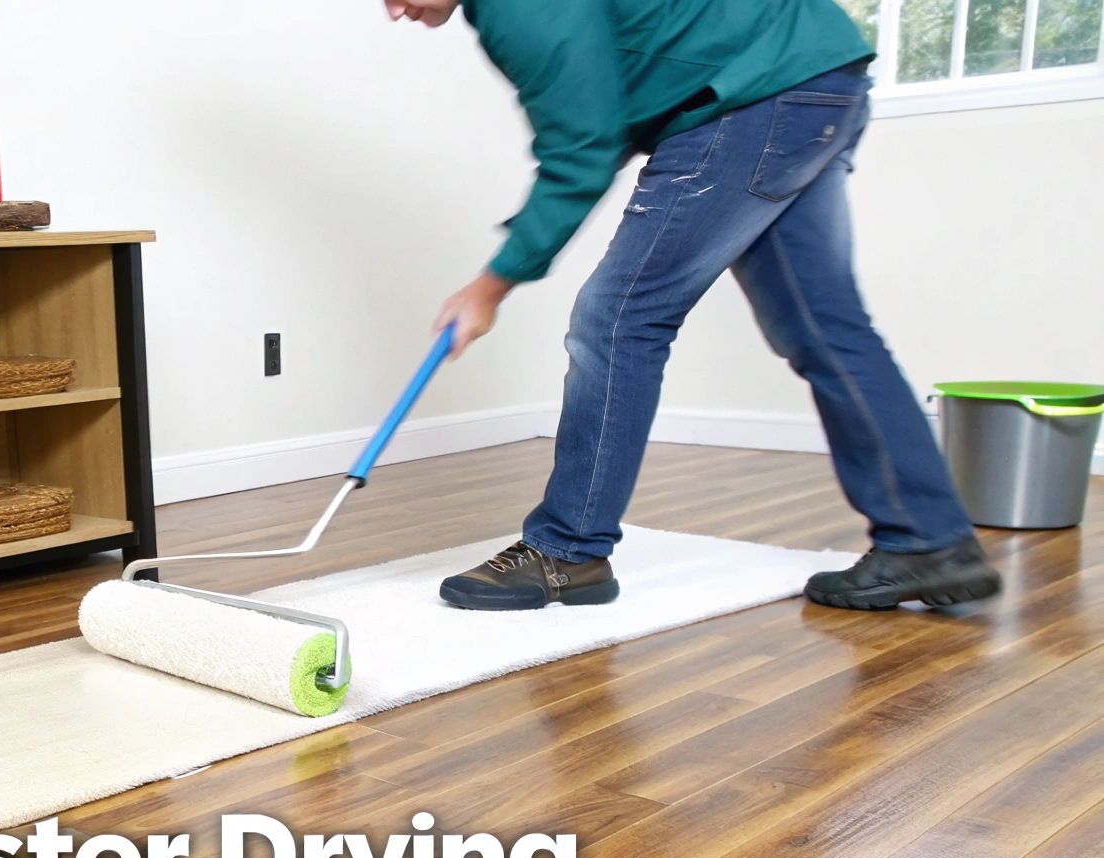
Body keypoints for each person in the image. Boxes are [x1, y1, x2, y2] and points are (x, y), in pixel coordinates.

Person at [385, 0, 1003, 613]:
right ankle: (929, 539)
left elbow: (583, 146)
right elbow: (612, 106)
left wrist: (492, 284)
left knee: (618, 321)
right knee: (824, 329)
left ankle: (567, 551)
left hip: (751, 97)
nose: (392, 10)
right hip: (815, 76)